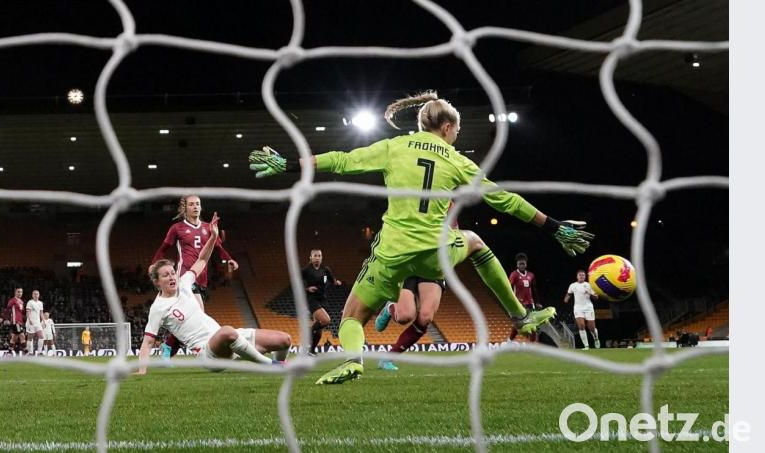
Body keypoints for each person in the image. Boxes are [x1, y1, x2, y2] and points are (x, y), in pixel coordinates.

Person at [249, 91, 594, 384]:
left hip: (393, 251)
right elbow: (504, 200)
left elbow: (341, 161)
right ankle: (519, 315)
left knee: (352, 317)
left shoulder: (395, 146)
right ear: (446, 127)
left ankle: (354, 359)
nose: (456, 135)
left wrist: (290, 166)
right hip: (436, 250)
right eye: (457, 130)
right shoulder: (458, 161)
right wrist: (553, 226)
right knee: (474, 242)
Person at [136, 213, 290, 375]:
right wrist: (141, 370)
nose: (172, 277)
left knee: (284, 340)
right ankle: (271, 365)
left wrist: (213, 236)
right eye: (165, 275)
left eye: (172, 273)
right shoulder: (158, 308)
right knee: (227, 331)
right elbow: (148, 342)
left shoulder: (185, 283)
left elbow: (201, 260)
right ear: (157, 282)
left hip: (226, 343)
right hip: (208, 353)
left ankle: (280, 367)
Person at [152, 195, 239, 359]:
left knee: (195, 318)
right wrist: (154, 264)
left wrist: (229, 259)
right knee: (198, 314)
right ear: (185, 208)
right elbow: (163, 248)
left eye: (198, 204)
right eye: (192, 204)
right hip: (185, 275)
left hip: (201, 277)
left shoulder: (208, 227)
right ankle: (201, 351)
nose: (195, 207)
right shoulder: (177, 228)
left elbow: (218, 247)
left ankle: (168, 348)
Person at [375, 276, 445, 371]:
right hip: (407, 265)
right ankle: (390, 307)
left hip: (432, 265)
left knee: (425, 318)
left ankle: (388, 358)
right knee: (404, 316)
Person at [301, 249, 342, 356]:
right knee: (326, 320)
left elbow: (333, 281)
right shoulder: (306, 270)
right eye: (315, 256)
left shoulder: (325, 269)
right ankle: (308, 333)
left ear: (322, 257)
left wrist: (337, 283)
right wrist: (307, 288)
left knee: (318, 331)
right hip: (311, 299)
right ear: (310, 257)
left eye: (319, 256)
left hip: (323, 299)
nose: (317, 258)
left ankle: (311, 351)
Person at [507, 253, 541, 343]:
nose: (522, 265)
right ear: (517, 265)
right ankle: (509, 341)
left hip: (530, 303)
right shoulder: (514, 274)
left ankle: (532, 345)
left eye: (523, 263)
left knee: (533, 323)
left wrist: (537, 302)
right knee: (518, 324)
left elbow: (534, 289)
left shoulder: (531, 275)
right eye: (520, 264)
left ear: (526, 264)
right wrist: (512, 301)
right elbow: (509, 287)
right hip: (519, 304)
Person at [563, 270, 600, 349]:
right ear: (577, 276)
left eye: (583, 275)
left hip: (588, 307)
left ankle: (596, 338)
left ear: (585, 277)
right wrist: (566, 298)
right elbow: (568, 294)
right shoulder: (573, 285)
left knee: (591, 328)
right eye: (580, 275)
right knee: (581, 326)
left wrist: (590, 293)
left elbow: (596, 297)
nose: (581, 276)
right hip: (578, 308)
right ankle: (586, 346)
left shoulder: (589, 285)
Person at [1, 287, 26, 355]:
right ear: (15, 292)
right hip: (15, 321)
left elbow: (20, 312)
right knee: (22, 336)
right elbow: (7, 310)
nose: (20, 293)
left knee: (14, 337)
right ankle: (26, 351)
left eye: (21, 292)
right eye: (18, 292)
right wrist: (5, 318)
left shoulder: (21, 301)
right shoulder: (12, 300)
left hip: (20, 321)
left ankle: (9, 352)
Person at [25, 290, 45, 355]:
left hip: (38, 323)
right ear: (32, 295)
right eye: (34, 294)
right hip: (31, 322)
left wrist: (43, 320)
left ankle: (40, 352)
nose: (36, 295)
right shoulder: (30, 302)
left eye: (37, 294)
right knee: (30, 338)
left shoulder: (40, 303)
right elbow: (28, 312)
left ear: (39, 295)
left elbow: (41, 313)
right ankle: (30, 352)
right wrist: (29, 319)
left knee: (41, 336)